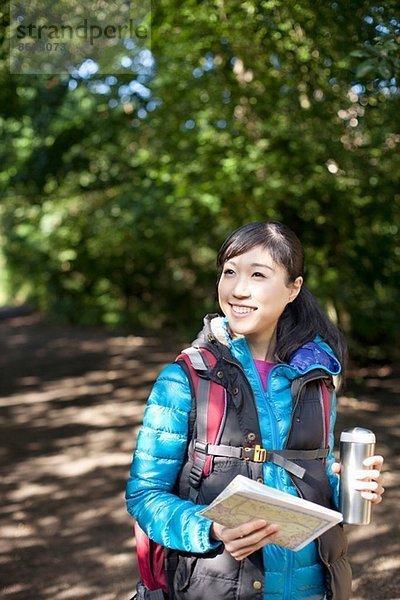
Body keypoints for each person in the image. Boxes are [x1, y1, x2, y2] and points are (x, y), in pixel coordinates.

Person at [126, 221, 384, 600]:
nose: (237, 289)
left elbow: (315, 472)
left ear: (293, 289)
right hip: (215, 586)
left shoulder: (318, 376)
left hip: (312, 586)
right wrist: (210, 528)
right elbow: (144, 494)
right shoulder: (185, 378)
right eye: (229, 272)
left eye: (258, 274)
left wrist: (348, 488)